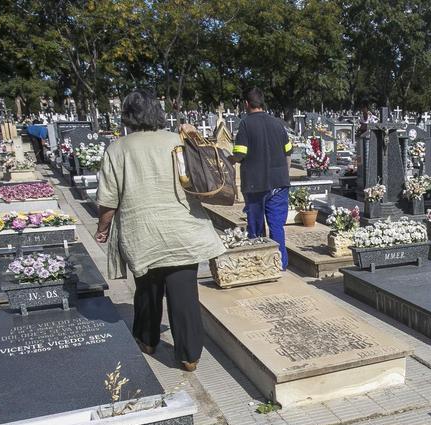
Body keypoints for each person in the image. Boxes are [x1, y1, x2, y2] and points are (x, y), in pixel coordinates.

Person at [95, 90, 225, 372]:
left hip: (141, 231)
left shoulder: (118, 149)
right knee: (184, 293)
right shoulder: (176, 141)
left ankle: (147, 339)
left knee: (146, 289)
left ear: (127, 116)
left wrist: (102, 229)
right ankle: (189, 356)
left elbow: (108, 200)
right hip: (182, 228)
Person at [231, 88, 292, 269]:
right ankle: (280, 263)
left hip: (255, 184)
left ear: (246, 104)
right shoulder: (277, 123)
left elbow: (241, 153)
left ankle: (260, 265)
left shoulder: (246, 124)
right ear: (262, 103)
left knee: (256, 228)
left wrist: (229, 158)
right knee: (277, 227)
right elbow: (288, 150)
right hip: (279, 183)